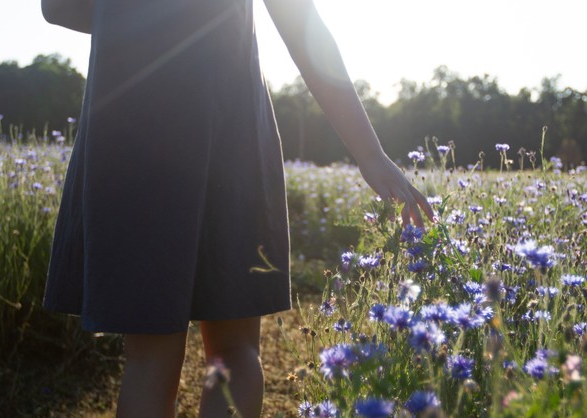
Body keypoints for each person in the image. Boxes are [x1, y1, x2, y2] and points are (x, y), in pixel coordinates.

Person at [40, 0, 434, 417]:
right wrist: (368, 153)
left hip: (130, 114)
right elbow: (301, 23)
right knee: (235, 350)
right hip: (229, 117)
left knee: (149, 359)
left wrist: (133, 19)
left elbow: (55, 7)